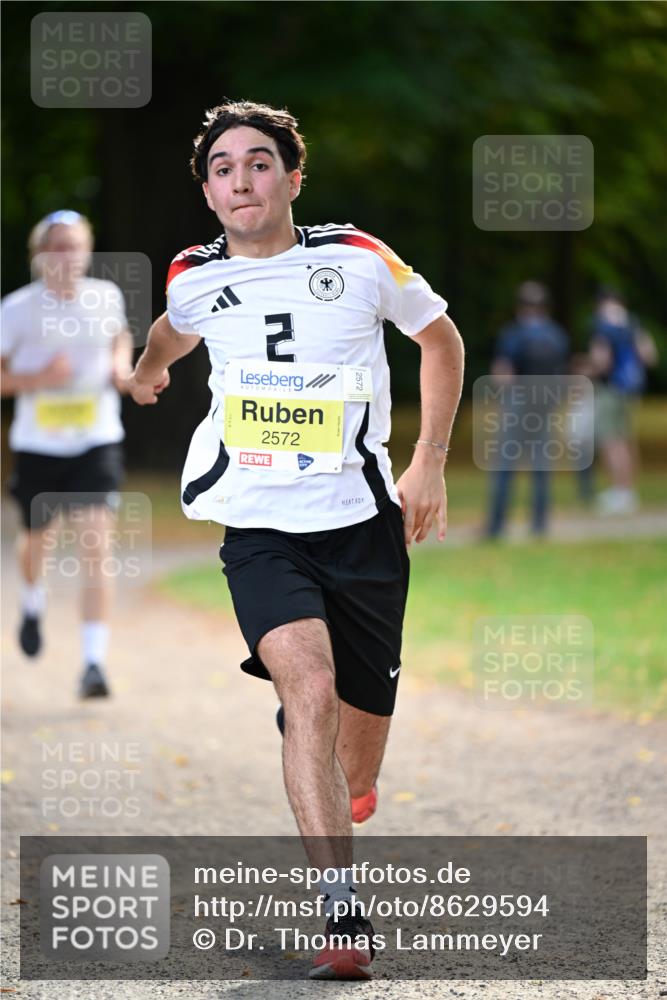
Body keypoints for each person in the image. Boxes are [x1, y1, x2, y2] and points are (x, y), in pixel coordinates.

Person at [126, 100, 464, 980]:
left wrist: (427, 461)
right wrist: (149, 368)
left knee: (355, 758)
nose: (243, 179)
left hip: (362, 525)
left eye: (260, 163)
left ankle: (337, 766)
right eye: (225, 168)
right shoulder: (193, 275)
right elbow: (173, 328)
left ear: (293, 177)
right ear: (208, 192)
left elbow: (440, 340)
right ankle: (340, 916)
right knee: (306, 689)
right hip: (260, 526)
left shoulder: (356, 260)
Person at [1, 211, 133, 697]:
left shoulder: (107, 298)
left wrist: (120, 368)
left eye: (75, 246)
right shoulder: (16, 309)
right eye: (57, 246)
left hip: (96, 439)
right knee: (39, 542)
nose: (67, 255)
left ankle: (93, 663)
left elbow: (118, 337)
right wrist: (37, 380)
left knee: (97, 546)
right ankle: (33, 600)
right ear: (39, 256)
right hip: (38, 444)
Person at [485, 281, 569, 539]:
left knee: (505, 463)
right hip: (544, 403)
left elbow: (503, 373)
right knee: (541, 464)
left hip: (518, 402)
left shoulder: (514, 333)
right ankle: (539, 524)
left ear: (520, 306)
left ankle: (497, 525)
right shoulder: (556, 334)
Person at [589, 288, 658, 514]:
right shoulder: (633, 324)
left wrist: (588, 370)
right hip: (631, 390)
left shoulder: (604, 326)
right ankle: (628, 490)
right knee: (626, 440)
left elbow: (602, 361)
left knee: (611, 440)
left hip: (610, 389)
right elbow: (650, 357)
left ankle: (619, 492)